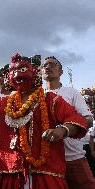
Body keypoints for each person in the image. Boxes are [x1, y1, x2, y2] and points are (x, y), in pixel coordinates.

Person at [0, 53, 87, 189]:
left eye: (23, 70)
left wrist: (62, 130)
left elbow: (76, 120)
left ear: (35, 73)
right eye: (13, 71)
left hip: (46, 172)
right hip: (12, 173)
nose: (17, 74)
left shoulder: (51, 100)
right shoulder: (4, 103)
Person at [42, 56, 95, 189]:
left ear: (61, 72)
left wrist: (65, 130)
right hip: (47, 161)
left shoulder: (71, 92)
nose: (48, 67)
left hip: (73, 158)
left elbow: (88, 119)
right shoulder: (36, 97)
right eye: (45, 65)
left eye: (52, 64)